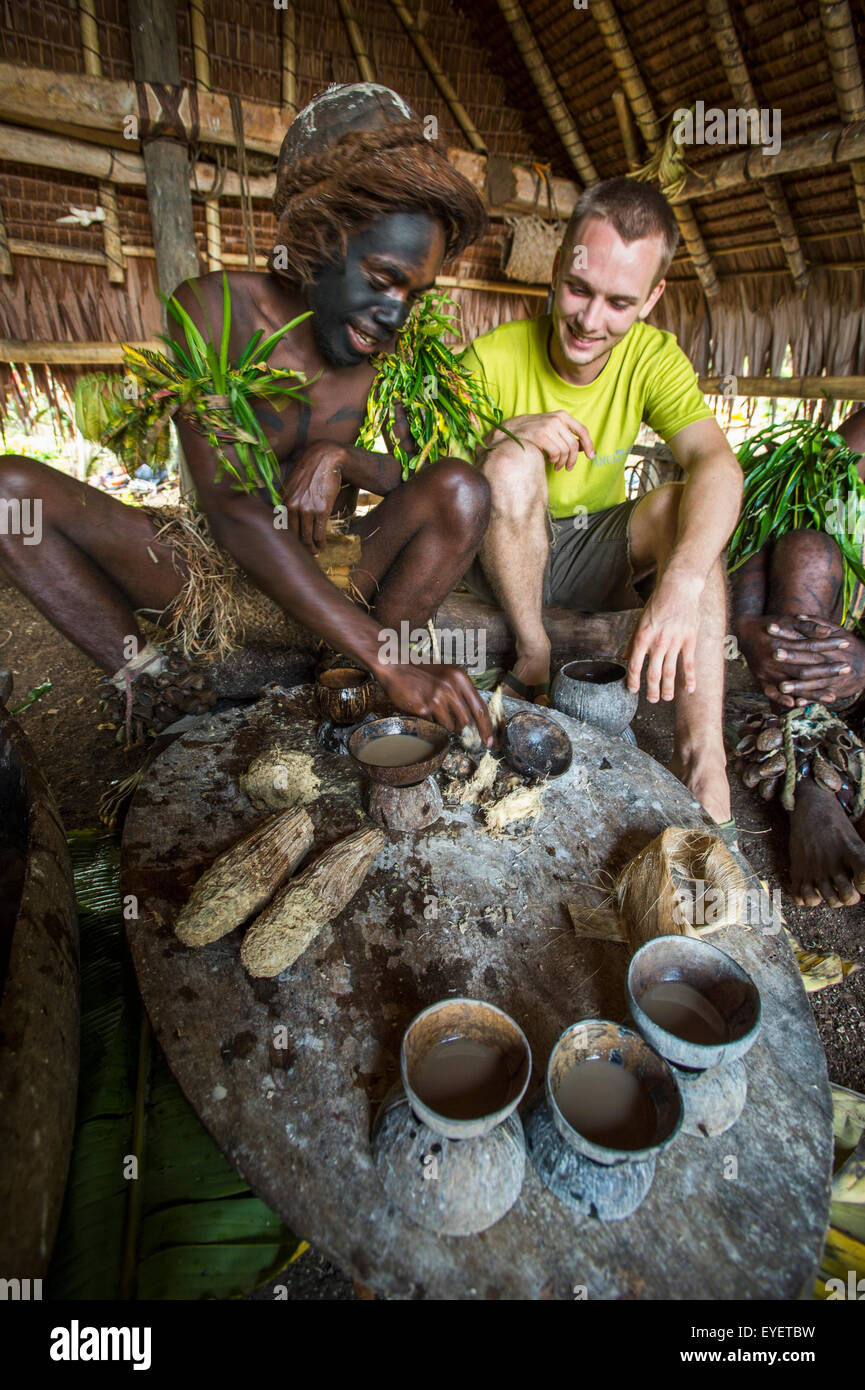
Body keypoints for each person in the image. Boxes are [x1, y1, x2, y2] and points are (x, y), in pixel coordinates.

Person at [0, 84, 493, 746]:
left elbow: (408, 479)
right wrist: (389, 652)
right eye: (381, 278)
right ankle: (156, 690)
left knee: (462, 487)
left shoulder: (386, 343)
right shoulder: (211, 309)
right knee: (10, 494)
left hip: (339, 568)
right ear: (318, 239)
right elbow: (232, 508)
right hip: (212, 574)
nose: (395, 312)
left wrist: (339, 456)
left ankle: (353, 667)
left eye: (413, 291)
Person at [459, 178, 743, 827]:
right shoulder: (491, 357)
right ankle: (532, 653)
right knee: (508, 461)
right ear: (557, 268)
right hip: (498, 557)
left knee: (681, 507)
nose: (590, 321)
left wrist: (679, 582)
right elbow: (428, 484)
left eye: (619, 302)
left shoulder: (652, 357)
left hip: (594, 556)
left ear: (650, 298)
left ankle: (704, 762)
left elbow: (717, 464)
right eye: (579, 290)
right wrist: (504, 434)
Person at [730, 406, 865, 908]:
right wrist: (747, 628)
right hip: (834, 674)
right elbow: (763, 536)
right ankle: (811, 783)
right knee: (806, 548)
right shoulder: (852, 447)